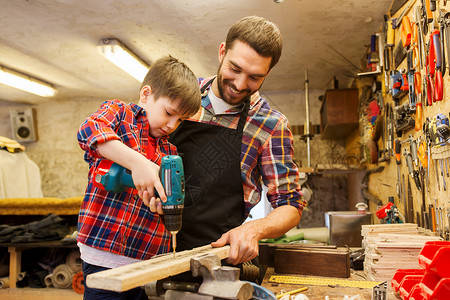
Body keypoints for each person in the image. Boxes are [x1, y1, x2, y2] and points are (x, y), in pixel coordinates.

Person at [148, 16, 307, 266]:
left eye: (255, 77)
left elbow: (290, 205)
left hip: (215, 258)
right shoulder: (177, 95)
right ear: (222, 51)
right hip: (146, 248)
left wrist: (256, 229)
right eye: (235, 69)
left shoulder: (271, 125)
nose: (240, 84)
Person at [76, 55, 201, 299]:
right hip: (103, 253)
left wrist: (162, 207)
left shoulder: (170, 153)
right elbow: (89, 129)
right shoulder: (121, 114)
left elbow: (166, 203)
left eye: (181, 120)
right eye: (169, 113)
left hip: (146, 260)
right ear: (146, 95)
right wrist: (138, 163)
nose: (172, 125)